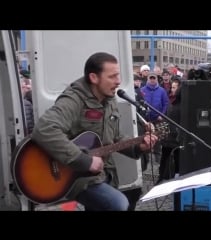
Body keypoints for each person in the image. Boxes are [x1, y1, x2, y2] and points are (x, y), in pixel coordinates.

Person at [31, 52, 158, 211]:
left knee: (129, 198)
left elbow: (115, 137)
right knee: (118, 204)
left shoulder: (109, 100)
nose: (118, 81)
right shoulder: (74, 99)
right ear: (94, 78)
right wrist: (85, 161)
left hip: (104, 174)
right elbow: (45, 128)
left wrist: (139, 147)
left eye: (118, 76)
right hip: (76, 177)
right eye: (112, 77)